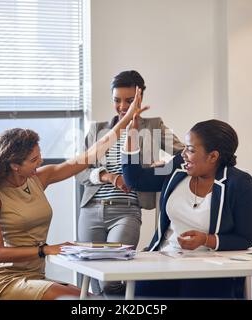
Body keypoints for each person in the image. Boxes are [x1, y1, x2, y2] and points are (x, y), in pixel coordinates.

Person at [0, 87, 147, 300]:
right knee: (79, 300)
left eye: (40, 156)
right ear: (15, 165)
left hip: (36, 276)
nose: (41, 162)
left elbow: (90, 155)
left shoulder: (38, 179)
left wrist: (127, 119)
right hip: (6, 281)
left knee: (93, 298)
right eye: (34, 160)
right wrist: (46, 249)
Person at [122, 119, 252, 299]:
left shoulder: (240, 184)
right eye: (185, 148)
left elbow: (245, 238)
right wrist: (131, 134)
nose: (184, 154)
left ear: (213, 156)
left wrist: (206, 240)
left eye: (191, 150)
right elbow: (136, 179)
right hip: (163, 261)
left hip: (209, 269)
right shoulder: (178, 169)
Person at [76, 70, 184, 295]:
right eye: (117, 100)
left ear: (140, 97)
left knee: (112, 278)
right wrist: (108, 176)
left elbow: (184, 155)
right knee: (94, 280)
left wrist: (159, 166)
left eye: (128, 100)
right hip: (91, 209)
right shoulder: (98, 130)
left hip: (127, 211)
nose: (122, 106)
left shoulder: (153, 126)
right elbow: (80, 171)